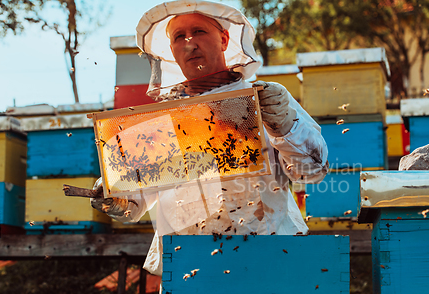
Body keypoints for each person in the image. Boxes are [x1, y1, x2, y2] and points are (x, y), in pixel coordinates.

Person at [91, 0, 329, 276]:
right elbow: (134, 202)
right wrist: (113, 196)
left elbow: (311, 171)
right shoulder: (163, 120)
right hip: (186, 262)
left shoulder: (265, 98)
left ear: (224, 39)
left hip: (268, 251)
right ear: (172, 51)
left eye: (199, 31)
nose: (189, 43)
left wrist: (285, 126)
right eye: (179, 36)